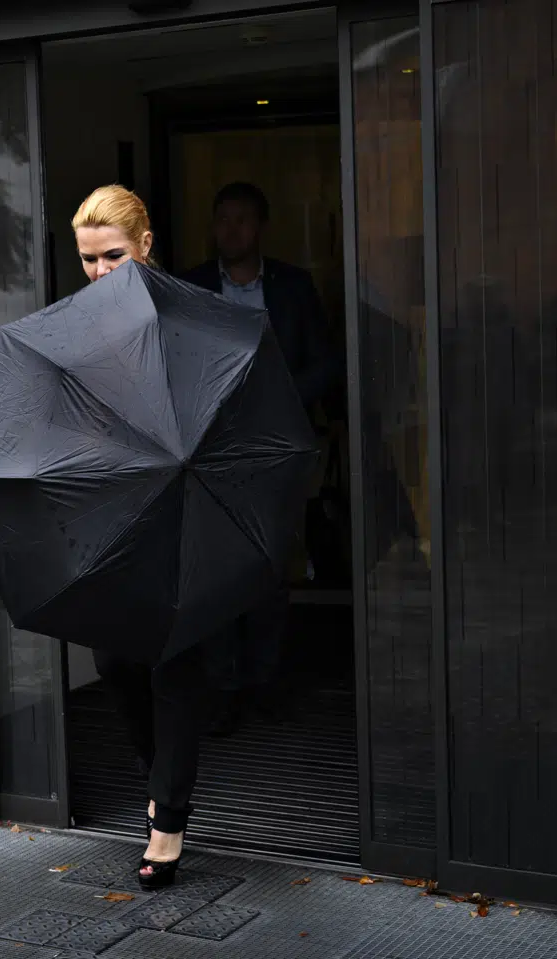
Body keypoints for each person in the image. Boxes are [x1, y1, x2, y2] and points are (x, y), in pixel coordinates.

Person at [69, 185, 206, 891]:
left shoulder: (186, 317)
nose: (98, 273)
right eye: (88, 260)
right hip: (117, 515)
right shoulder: (80, 329)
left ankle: (168, 822)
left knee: (174, 667)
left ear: (145, 245)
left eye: (112, 257)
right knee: (117, 661)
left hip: (183, 512)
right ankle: (162, 779)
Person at [181, 182, 340, 735]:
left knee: (271, 570)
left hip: (275, 447)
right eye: (222, 220)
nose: (231, 231)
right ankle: (223, 686)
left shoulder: (293, 287)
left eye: (242, 221)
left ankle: (264, 683)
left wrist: (281, 395)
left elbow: (326, 361)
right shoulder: (193, 285)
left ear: (261, 227)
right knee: (218, 572)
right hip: (211, 449)